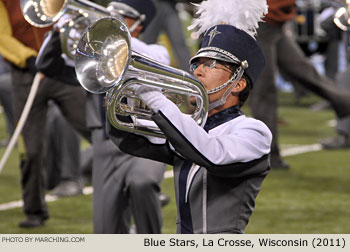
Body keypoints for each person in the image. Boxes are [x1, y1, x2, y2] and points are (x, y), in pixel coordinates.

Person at [107, 0, 272, 233]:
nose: (197, 72)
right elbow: (129, 140)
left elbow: (212, 153)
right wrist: (121, 93)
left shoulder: (254, 132)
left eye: (210, 64)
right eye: (196, 64)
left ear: (238, 83)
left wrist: (154, 97)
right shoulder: (192, 129)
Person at [36, 0, 170, 233]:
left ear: (138, 24)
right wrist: (59, 31)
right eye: (110, 15)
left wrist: (110, 36)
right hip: (104, 142)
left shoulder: (157, 52)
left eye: (120, 17)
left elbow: (146, 57)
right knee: (105, 230)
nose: (111, 21)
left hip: (146, 142)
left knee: (142, 183)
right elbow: (47, 64)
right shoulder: (92, 60)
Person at [0, 0, 91, 228]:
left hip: (60, 68)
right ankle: (34, 210)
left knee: (95, 129)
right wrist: (29, 58)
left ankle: (132, 189)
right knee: (30, 149)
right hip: (25, 75)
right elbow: (2, 37)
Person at [249, 0, 350, 169]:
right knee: (279, 83)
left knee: (268, 89)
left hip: (268, 21)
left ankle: (268, 156)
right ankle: (269, 155)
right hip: (262, 20)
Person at [141, 0, 193, 71]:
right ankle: (143, 71)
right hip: (153, 5)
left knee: (179, 42)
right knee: (147, 43)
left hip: (171, 6)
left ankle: (191, 74)